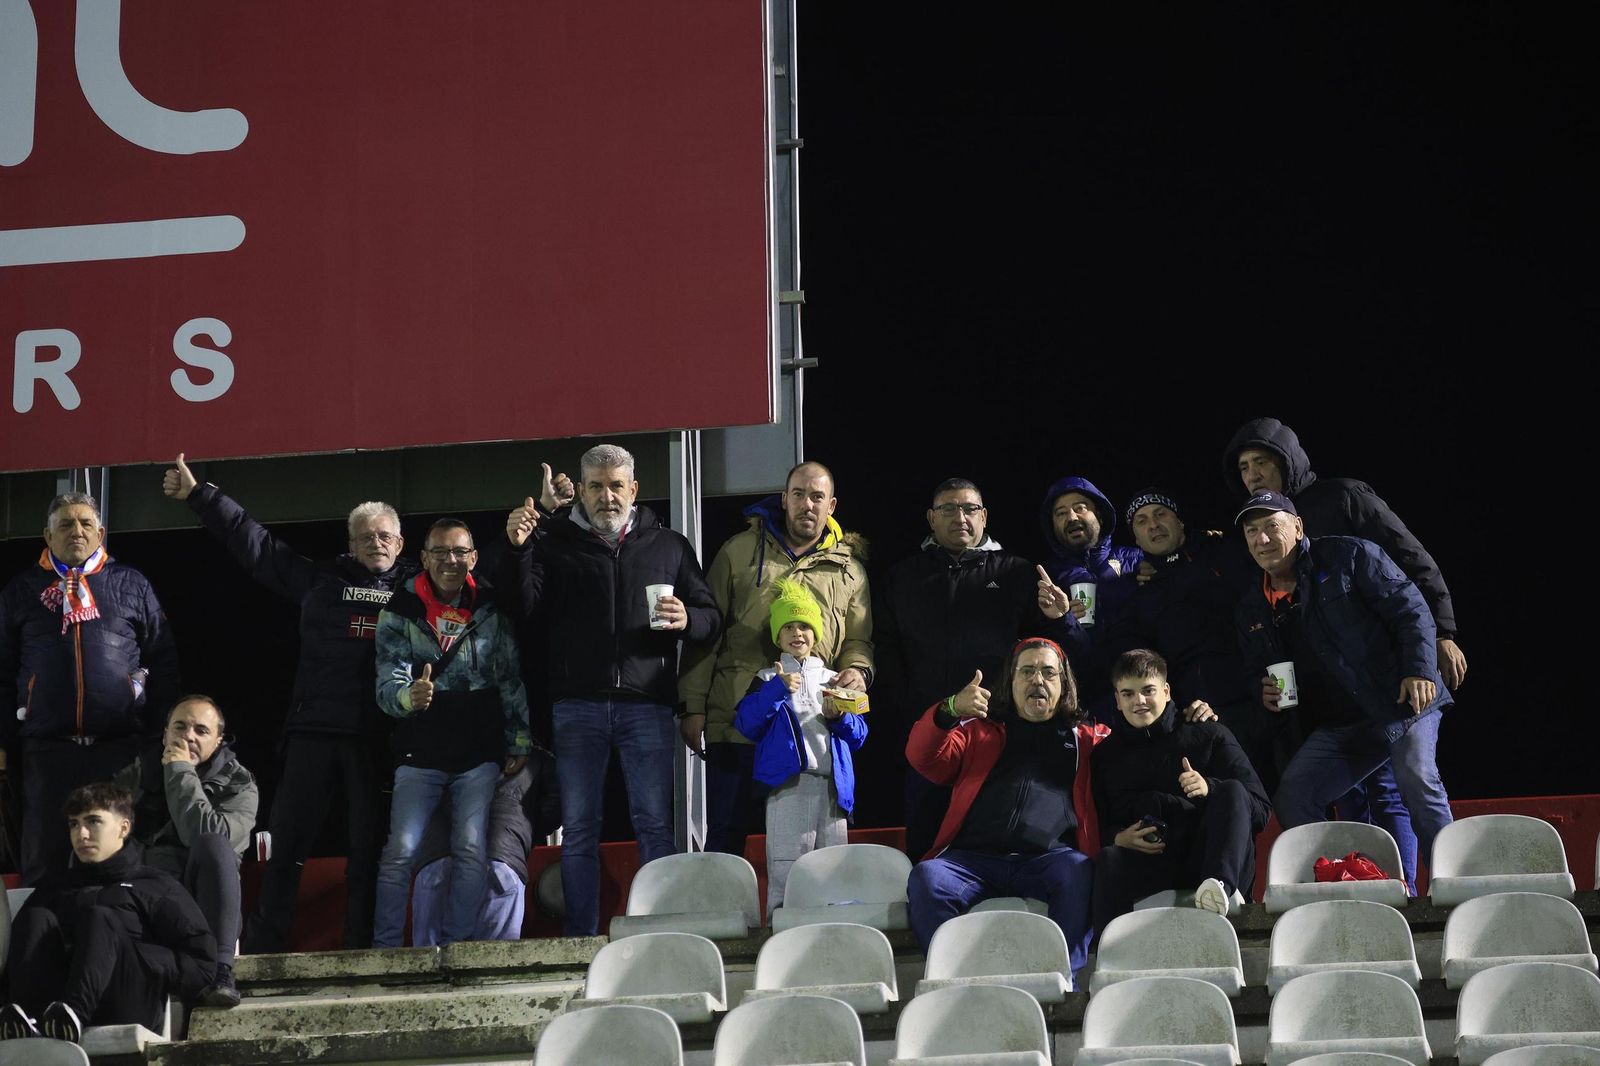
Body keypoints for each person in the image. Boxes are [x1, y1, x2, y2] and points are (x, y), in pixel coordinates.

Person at [164, 454, 419, 951]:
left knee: (368, 851)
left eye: (385, 536)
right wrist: (202, 495)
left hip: (377, 739)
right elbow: (256, 547)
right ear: (351, 544)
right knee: (287, 847)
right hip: (314, 732)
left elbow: (475, 565)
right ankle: (264, 944)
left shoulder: (417, 589)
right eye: (366, 536)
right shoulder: (320, 581)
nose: (376, 543)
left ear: (401, 543)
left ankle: (360, 946)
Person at [500, 443, 721, 936]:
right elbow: (522, 609)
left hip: (646, 706)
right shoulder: (553, 540)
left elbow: (711, 617)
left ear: (634, 490)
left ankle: (661, 932)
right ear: (581, 490)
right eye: (596, 486)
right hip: (576, 706)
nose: (607, 496)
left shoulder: (669, 546)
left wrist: (688, 618)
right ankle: (580, 938)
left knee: (655, 826)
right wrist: (519, 547)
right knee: (579, 830)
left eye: (616, 485)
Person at [1233, 491, 1454, 881]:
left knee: (1415, 777)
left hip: (1400, 699)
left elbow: (1411, 608)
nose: (1262, 539)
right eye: (1253, 531)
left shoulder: (1349, 555)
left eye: (1272, 527)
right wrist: (1260, 688)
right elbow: (1255, 667)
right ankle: (1350, 884)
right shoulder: (1252, 603)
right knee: (1294, 797)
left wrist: (1418, 669)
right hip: (1343, 723)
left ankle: (1453, 886)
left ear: (1298, 527)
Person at [875, 477, 1082, 859]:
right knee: (927, 845)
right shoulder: (901, 577)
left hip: (998, 737)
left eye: (970, 509)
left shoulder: (1017, 572)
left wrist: (1060, 619)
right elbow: (886, 650)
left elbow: (1048, 652)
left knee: (998, 845)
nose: (960, 517)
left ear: (984, 517)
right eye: (948, 509)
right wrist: (909, 706)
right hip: (931, 731)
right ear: (931, 519)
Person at [678, 461, 873, 858]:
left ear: (831, 505)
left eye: (817, 497)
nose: (807, 504)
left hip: (808, 731)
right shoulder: (737, 552)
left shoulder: (849, 571)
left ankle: (805, 919)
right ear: (784, 499)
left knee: (809, 849)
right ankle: (725, 917)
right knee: (726, 838)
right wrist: (692, 705)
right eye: (799, 494)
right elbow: (707, 632)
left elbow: (858, 640)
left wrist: (857, 669)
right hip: (736, 723)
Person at [1, 492, 179, 884]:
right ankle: (47, 944)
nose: (76, 531)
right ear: (47, 537)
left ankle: (117, 941)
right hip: (48, 751)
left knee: (118, 864)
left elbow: (163, 662)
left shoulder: (132, 584)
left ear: (101, 533)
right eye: (65, 524)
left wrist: (158, 733)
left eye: (85, 524)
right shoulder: (21, 590)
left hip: (119, 750)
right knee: (47, 865)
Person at [904, 637, 1108, 972]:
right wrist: (949, 709)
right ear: (1010, 683)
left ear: (1064, 683)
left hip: (1048, 860)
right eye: (1026, 671)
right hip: (972, 861)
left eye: (1048, 673)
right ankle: (954, 979)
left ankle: (1061, 977)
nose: (1037, 680)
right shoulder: (977, 731)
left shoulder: (1088, 738)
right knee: (928, 877)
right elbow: (923, 757)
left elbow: (1139, 750)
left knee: (1079, 870)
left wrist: (1186, 717)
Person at [373, 519, 532, 947]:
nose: (450, 561)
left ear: (473, 558)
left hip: (478, 754)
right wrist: (410, 697)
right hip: (419, 755)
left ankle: (456, 949)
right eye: (440, 552)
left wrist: (518, 740)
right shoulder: (398, 610)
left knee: (470, 851)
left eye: (460, 552)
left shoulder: (491, 609)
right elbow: (386, 687)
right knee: (401, 851)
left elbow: (510, 679)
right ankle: (383, 950)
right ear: (423, 558)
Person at [1221, 418, 1466, 688]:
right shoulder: (1255, 534)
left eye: (1261, 462)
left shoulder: (1343, 497)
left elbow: (1410, 557)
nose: (1252, 475)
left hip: (1390, 667)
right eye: (1244, 467)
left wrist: (1442, 634)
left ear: (1286, 461)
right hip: (1327, 690)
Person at [0, 783, 214, 1044]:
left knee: (99, 919)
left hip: (127, 1000)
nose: (82, 834)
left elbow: (202, 966)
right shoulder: (55, 887)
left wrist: (141, 957)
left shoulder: (153, 885)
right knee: (36, 918)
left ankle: (73, 1016)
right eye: (74, 824)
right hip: (55, 1008)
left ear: (124, 828)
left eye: (93, 821)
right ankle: (27, 1021)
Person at [1092, 649, 1270, 930]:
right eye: (1128, 694)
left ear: (1166, 691)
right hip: (1153, 862)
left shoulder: (1209, 732)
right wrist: (1117, 837)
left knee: (1231, 789)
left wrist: (1209, 788)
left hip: (1209, 857)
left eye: (1148, 690)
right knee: (1109, 858)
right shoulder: (1104, 756)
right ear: (1116, 700)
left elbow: (1260, 810)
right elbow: (1096, 821)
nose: (1139, 701)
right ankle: (1107, 957)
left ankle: (1216, 891)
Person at [1109, 490, 1273, 780]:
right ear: (1135, 539)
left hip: (1269, 695)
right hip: (1208, 714)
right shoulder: (1141, 598)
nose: (1153, 525)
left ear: (1180, 521)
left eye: (1161, 514)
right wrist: (1179, 707)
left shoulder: (1226, 552)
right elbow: (1140, 666)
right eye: (1142, 521)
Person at [112, 695, 257, 1007]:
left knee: (213, 841)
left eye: (201, 731)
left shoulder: (239, 785)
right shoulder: (134, 776)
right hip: (143, 896)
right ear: (165, 733)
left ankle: (220, 972)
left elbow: (200, 833)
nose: (188, 735)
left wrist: (179, 769)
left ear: (218, 741)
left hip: (199, 903)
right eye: (180, 727)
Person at [733, 580, 868, 911]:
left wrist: (839, 719)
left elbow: (859, 735)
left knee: (832, 868)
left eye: (805, 626)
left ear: (816, 633)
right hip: (787, 785)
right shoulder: (767, 678)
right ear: (778, 636)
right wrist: (777, 690)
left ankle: (836, 932)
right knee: (787, 866)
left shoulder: (834, 678)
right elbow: (746, 724)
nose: (798, 633)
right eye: (789, 626)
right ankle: (781, 932)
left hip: (833, 788)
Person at [409, 748, 559, 945]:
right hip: (500, 858)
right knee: (491, 967)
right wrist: (521, 834)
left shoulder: (433, 743)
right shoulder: (535, 756)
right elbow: (556, 805)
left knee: (428, 966)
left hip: (438, 860)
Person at [1036, 476, 1140, 717]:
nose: (1071, 517)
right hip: (1082, 706)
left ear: (1100, 515)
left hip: (1140, 697)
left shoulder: (1136, 560)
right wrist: (1062, 618)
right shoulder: (1048, 577)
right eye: (1060, 513)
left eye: (1080, 508)